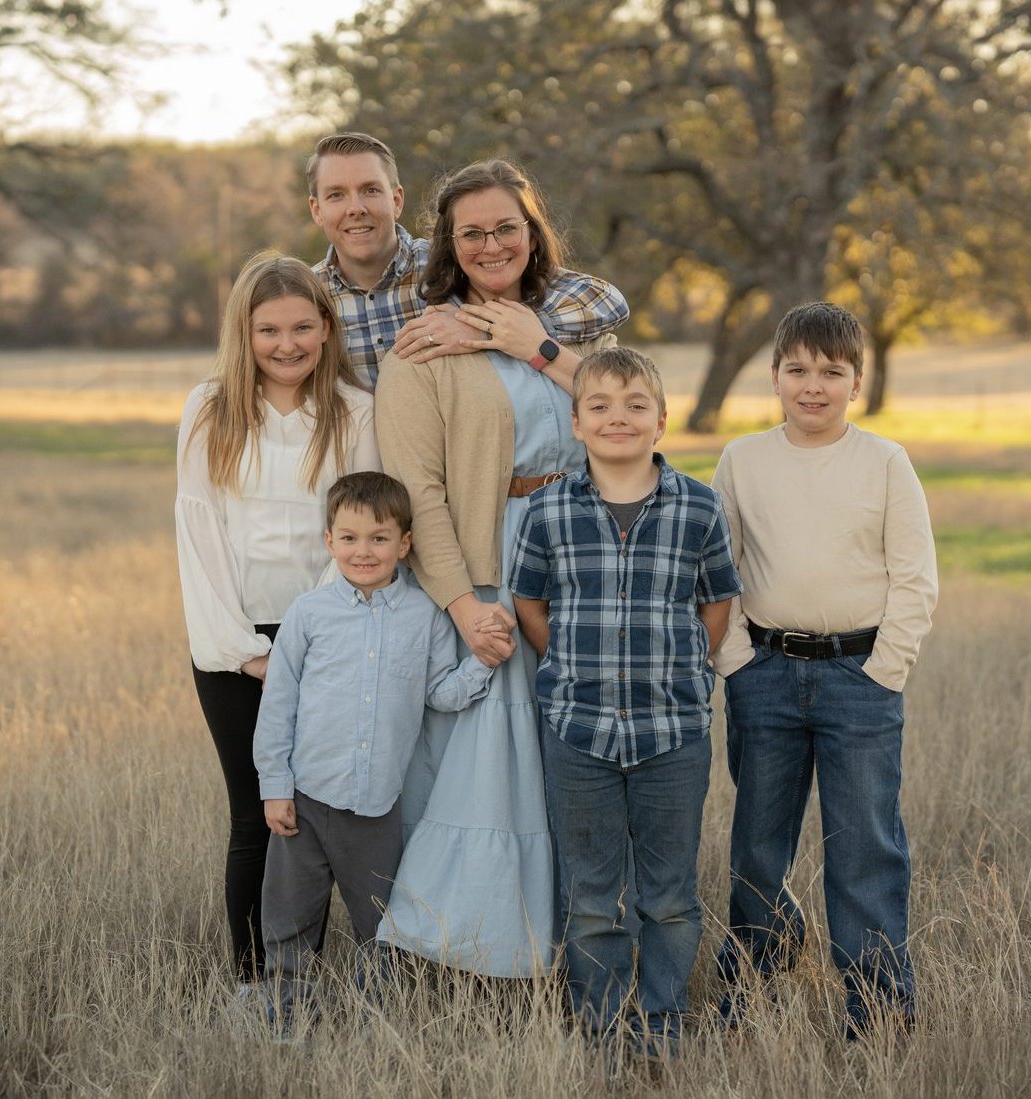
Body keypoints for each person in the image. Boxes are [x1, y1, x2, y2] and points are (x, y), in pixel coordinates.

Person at [373, 158, 620, 976]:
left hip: (584, 563)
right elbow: (420, 493)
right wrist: (458, 601)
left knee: (580, 762)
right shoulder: (422, 345)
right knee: (493, 775)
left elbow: (627, 416)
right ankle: (478, 954)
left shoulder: (576, 325)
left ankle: (583, 949)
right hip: (489, 572)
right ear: (448, 242)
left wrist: (532, 343)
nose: (490, 244)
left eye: (506, 227)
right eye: (471, 232)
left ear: (532, 231)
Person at [710, 301, 939, 1037]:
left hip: (857, 677)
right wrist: (738, 661)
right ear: (774, 376)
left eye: (831, 372)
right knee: (757, 840)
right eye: (798, 370)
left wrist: (886, 670)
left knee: (865, 844)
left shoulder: (883, 461)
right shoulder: (743, 459)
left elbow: (916, 577)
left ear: (856, 381)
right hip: (766, 675)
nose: (814, 386)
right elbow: (720, 568)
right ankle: (750, 977)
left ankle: (876, 1004)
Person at [509, 348, 740, 1055]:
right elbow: (530, 602)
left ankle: (663, 1019)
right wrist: (575, 670)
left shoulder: (699, 505)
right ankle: (605, 1022)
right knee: (590, 894)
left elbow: (717, 601)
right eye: (600, 406)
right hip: (578, 731)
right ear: (576, 422)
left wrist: (683, 670)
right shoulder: (548, 509)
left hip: (672, 731)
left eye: (636, 404)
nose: (619, 418)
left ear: (662, 420)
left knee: (668, 893)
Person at [175, 251, 380, 997]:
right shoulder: (210, 407)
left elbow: (358, 531)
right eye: (268, 329)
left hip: (329, 639)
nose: (286, 342)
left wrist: (304, 645)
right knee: (258, 814)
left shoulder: (356, 411)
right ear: (245, 332)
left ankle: (311, 973)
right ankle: (254, 982)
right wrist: (243, 648)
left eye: (301, 325)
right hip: (232, 644)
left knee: (320, 816)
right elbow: (198, 533)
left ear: (326, 329)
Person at [252, 472, 503, 1024]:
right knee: (289, 912)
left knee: (382, 921)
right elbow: (279, 708)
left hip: (375, 807)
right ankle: (283, 1011)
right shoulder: (308, 614)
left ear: (405, 544)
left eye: (379, 538)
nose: (363, 551)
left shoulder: (425, 615)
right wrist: (274, 789)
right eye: (349, 538)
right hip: (306, 797)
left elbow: (439, 692)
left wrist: (480, 665)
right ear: (329, 541)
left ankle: (377, 1018)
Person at [304, 132, 629, 383]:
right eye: (336, 195)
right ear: (317, 210)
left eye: (371, 190)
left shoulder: (450, 265)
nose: (356, 208)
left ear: (397, 199)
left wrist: (493, 331)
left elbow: (605, 301)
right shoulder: (306, 296)